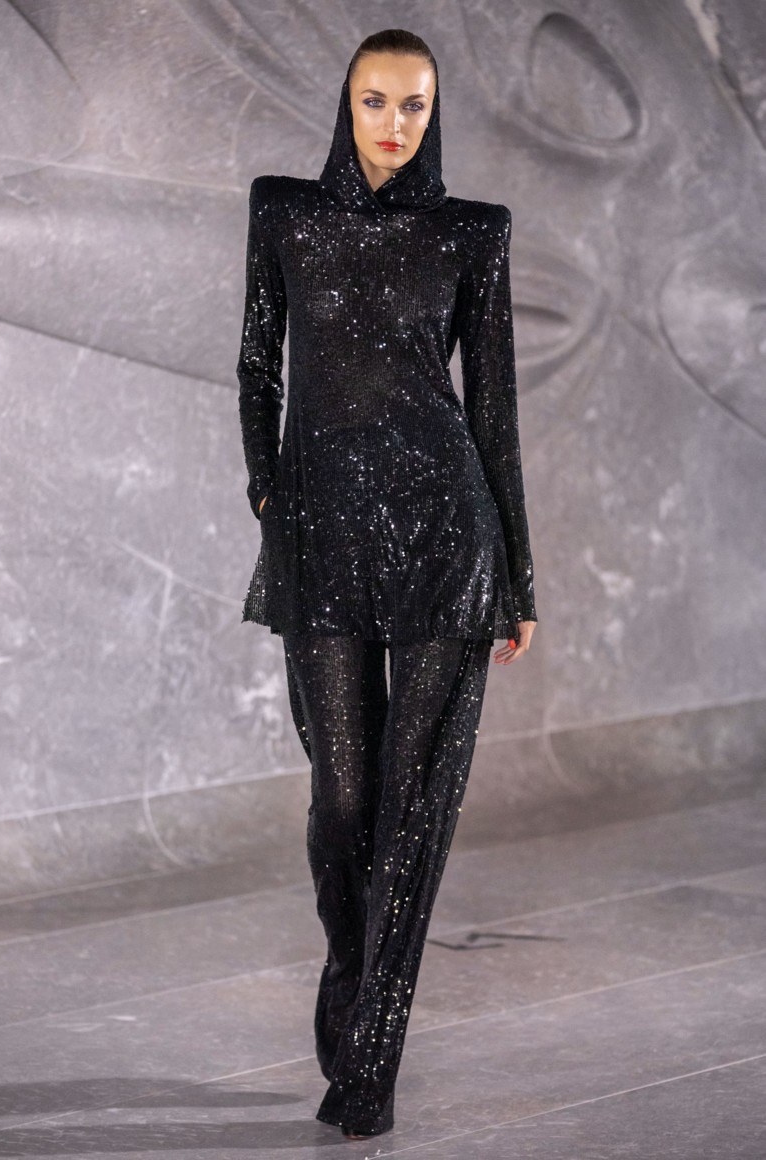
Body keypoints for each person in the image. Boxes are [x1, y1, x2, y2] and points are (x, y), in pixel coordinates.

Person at [236, 28, 538, 1140]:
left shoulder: (471, 232)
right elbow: (257, 361)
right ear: (347, 103)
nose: (394, 124)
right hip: (321, 535)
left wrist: (518, 576)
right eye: (376, 101)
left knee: (413, 809)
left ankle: (369, 1060)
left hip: (445, 536)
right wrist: (267, 493)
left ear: (433, 112)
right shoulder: (284, 212)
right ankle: (351, 978)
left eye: (414, 105)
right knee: (344, 798)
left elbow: (494, 406)